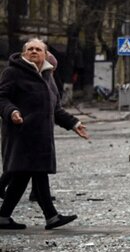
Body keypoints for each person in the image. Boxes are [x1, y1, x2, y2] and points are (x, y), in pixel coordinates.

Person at [0, 38, 90, 230]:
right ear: (24, 54)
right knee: (32, 173)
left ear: (46, 54)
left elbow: (55, 109)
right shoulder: (12, 72)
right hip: (21, 134)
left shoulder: (48, 76)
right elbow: (2, 98)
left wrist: (74, 123)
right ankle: (50, 216)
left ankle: (5, 217)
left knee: (25, 175)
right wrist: (12, 111)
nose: (34, 51)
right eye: (30, 49)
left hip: (41, 137)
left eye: (38, 49)